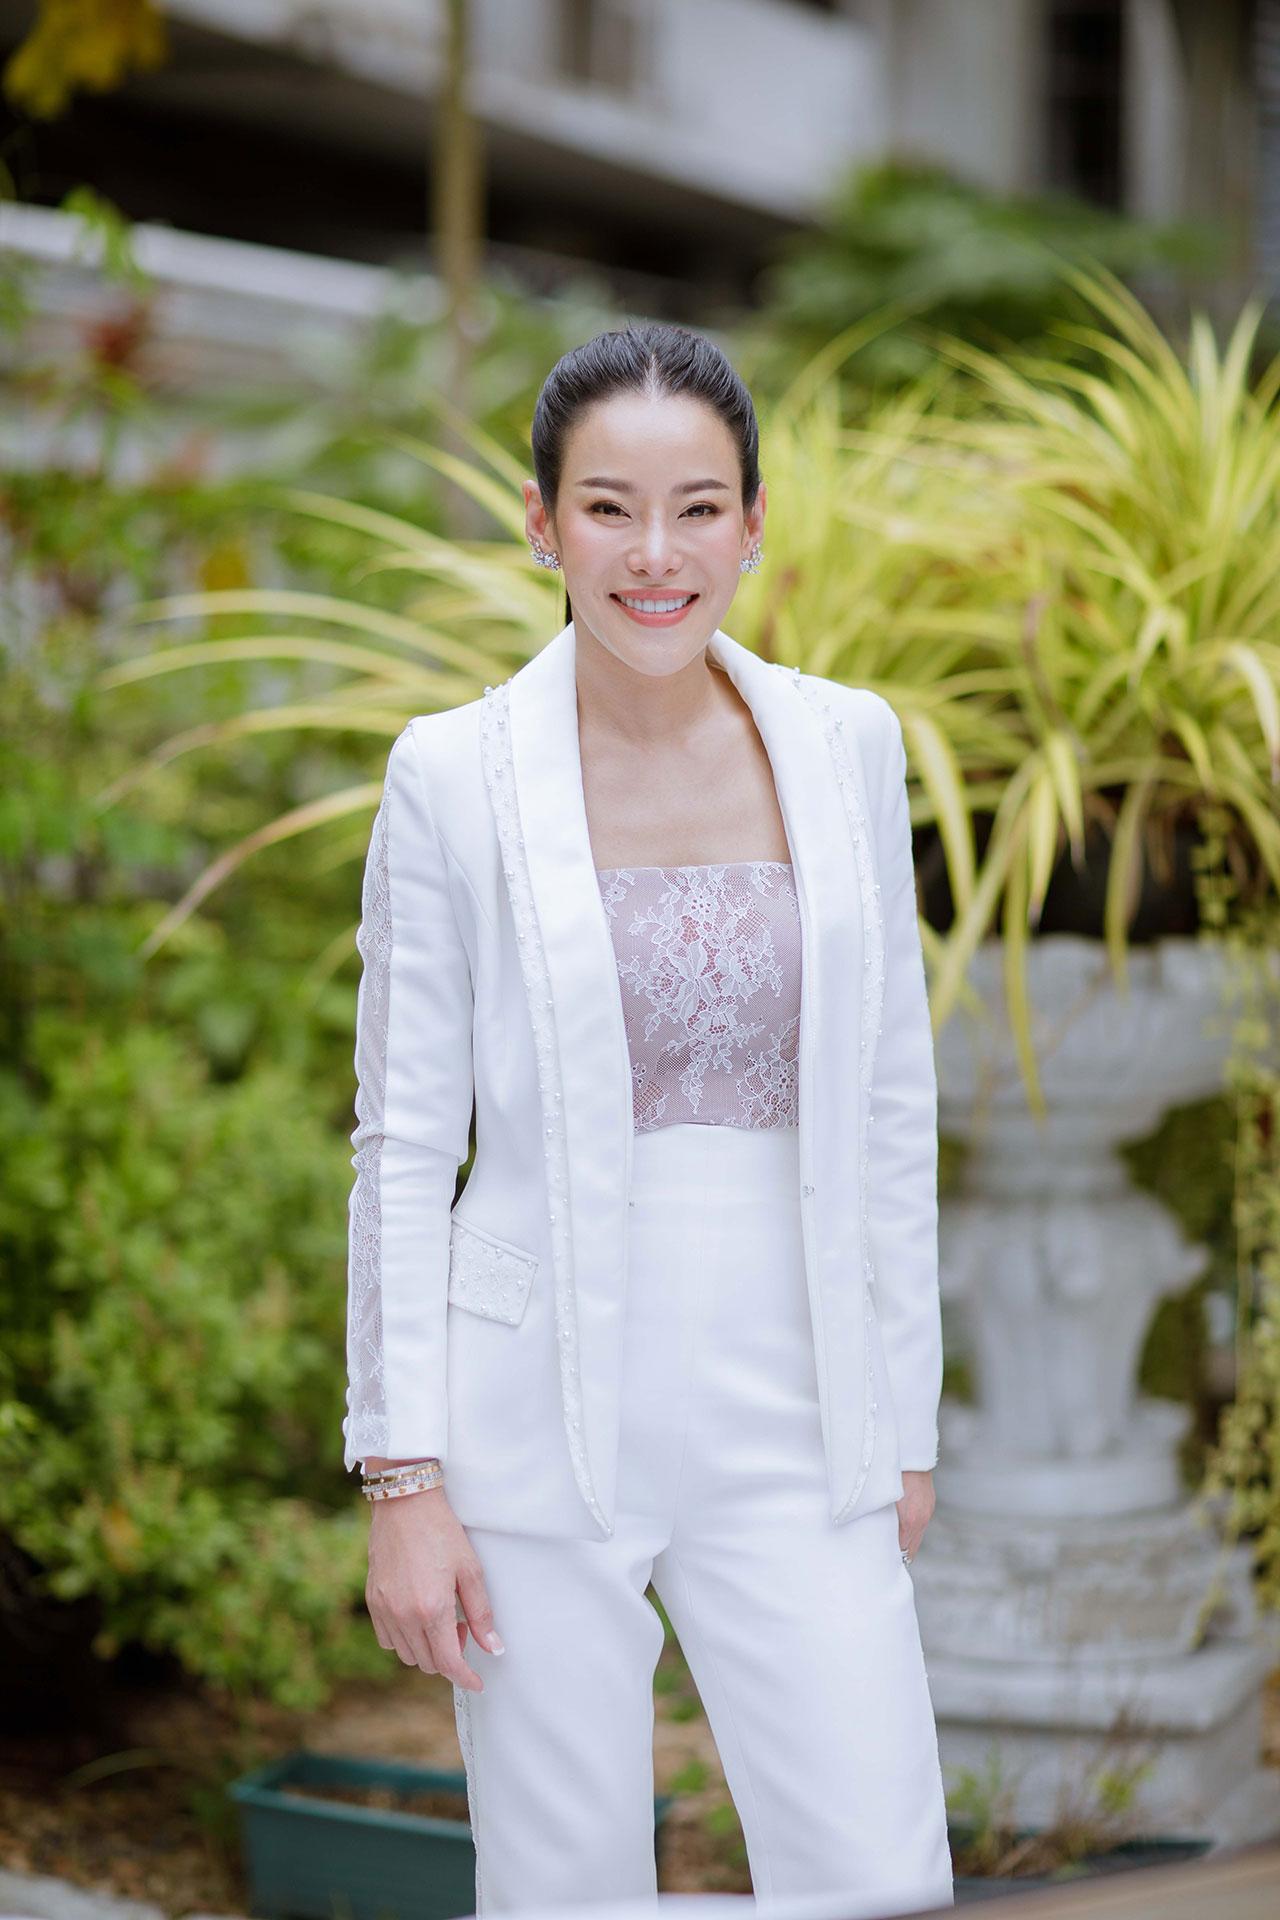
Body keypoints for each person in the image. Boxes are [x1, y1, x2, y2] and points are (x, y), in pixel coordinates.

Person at [342, 322, 954, 1916]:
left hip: (802, 1411)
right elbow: (402, 1147)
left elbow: (892, 1099)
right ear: (542, 524)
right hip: (528, 1421)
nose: (655, 555)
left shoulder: (846, 745)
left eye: (697, 509)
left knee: (878, 1874)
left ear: (755, 523)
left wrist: (904, 1419)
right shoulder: (451, 776)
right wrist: (405, 1482)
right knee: (564, 1889)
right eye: (609, 508)